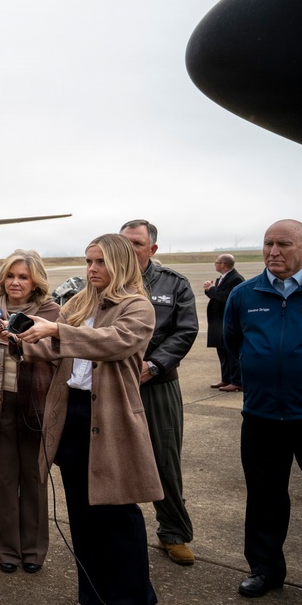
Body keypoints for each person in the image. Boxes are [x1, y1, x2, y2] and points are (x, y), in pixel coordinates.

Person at [13, 233, 162, 605]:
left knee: (117, 510)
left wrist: (56, 331)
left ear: (120, 264)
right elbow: (56, 348)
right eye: (89, 262)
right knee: (80, 509)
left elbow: (114, 342)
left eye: (100, 262)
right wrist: (20, 341)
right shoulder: (79, 302)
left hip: (110, 417)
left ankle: (130, 598)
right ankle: (92, 594)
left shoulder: (137, 307)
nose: (92, 269)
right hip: (74, 414)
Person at [224, 219, 302, 598]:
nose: (273, 251)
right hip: (261, 416)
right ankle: (265, 569)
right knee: (264, 497)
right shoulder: (245, 294)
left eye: (284, 244)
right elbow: (233, 343)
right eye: (267, 244)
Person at [0, 250, 58, 574]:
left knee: (34, 478)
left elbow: (60, 355)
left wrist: (20, 339)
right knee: (3, 480)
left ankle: (33, 550)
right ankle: (6, 550)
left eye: (23, 277)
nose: (16, 282)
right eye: (11, 276)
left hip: (36, 406)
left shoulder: (50, 313)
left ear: (35, 282)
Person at [119, 220, 198, 566]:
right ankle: (122, 529)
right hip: (115, 386)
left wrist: (154, 366)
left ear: (152, 249)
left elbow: (185, 330)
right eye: (124, 243)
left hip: (158, 385)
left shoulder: (173, 284)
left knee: (164, 459)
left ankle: (173, 532)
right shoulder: (106, 279)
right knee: (116, 460)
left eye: (137, 243)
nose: (130, 249)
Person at [203, 254, 244, 391]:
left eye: (216, 262)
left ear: (223, 264)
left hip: (228, 322)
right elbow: (216, 296)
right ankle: (226, 379)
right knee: (222, 351)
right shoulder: (223, 278)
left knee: (231, 352)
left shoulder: (236, 279)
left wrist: (212, 289)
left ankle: (237, 381)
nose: (215, 264)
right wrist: (209, 289)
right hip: (219, 321)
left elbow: (226, 297)